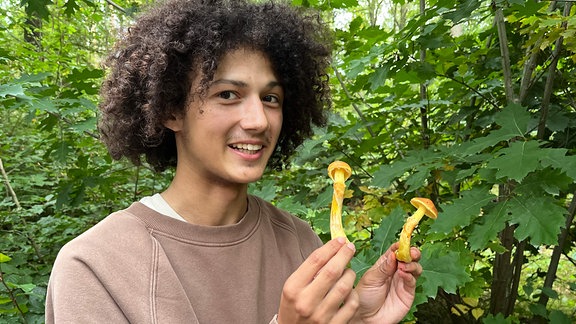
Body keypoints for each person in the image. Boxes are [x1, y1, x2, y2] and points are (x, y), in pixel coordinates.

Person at [45, 0, 422, 323]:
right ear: (171, 110)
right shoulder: (94, 265)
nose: (258, 121)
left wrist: (357, 319)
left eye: (271, 98)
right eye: (228, 94)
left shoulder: (300, 242)